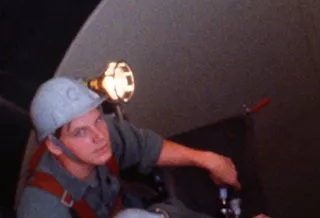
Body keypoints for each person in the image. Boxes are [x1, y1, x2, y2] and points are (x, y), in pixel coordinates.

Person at [17, 76, 268, 218]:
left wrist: (208, 159)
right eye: (80, 132)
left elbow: (146, 146)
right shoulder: (42, 210)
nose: (99, 136)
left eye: (96, 119)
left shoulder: (103, 132)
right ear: (55, 145)